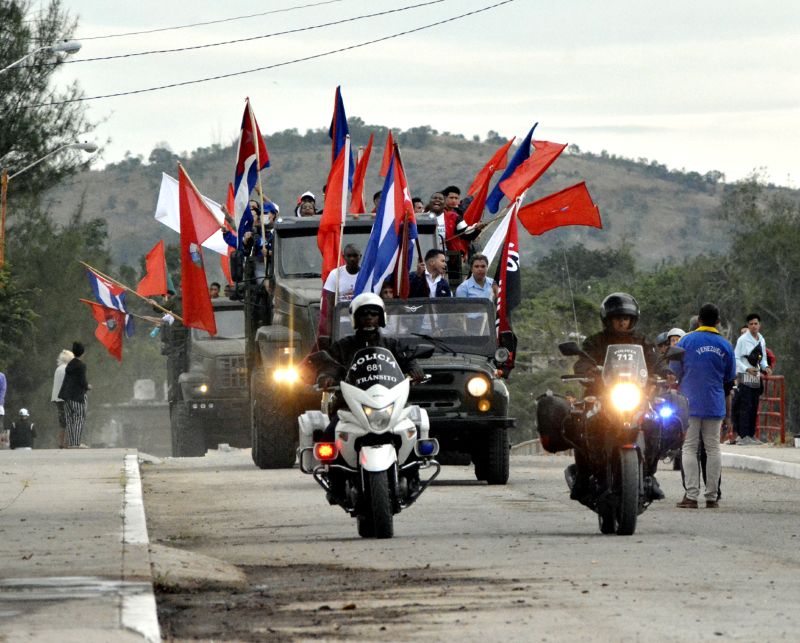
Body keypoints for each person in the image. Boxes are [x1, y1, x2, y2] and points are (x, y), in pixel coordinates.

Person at [573, 292, 664, 501]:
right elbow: (582, 362)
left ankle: (649, 474)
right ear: (608, 319)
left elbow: (655, 362)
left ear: (632, 320)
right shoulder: (595, 342)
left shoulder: (642, 342)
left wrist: (664, 372)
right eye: (617, 318)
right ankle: (584, 476)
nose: (622, 322)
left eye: (626, 318)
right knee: (581, 423)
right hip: (602, 395)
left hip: (636, 396)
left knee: (656, 423)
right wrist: (586, 371)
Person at [312, 293, 425, 441]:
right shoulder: (343, 346)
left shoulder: (392, 344)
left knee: (416, 433)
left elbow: (408, 359)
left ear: (381, 317)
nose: (369, 317)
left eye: (374, 314)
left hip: (390, 404)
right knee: (329, 437)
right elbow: (330, 365)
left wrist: (415, 369)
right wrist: (326, 376)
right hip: (350, 406)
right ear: (355, 318)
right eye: (363, 314)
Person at [671, 303, 736, 508]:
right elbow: (729, 378)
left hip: (689, 403)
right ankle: (711, 497)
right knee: (713, 448)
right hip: (715, 403)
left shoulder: (685, 341)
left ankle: (691, 496)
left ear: (699, 320)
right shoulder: (725, 345)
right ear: (718, 321)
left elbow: (674, 371)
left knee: (689, 447)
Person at [733, 313, 771, 444]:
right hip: (745, 376)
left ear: (759, 325)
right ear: (748, 326)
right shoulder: (742, 340)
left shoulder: (761, 339)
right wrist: (746, 369)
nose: (754, 326)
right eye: (751, 324)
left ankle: (751, 434)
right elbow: (736, 358)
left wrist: (766, 367)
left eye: (756, 323)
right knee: (745, 405)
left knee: (754, 405)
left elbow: (763, 358)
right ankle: (743, 436)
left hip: (756, 376)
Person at [320, 244, 361, 338]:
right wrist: (329, 329)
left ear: (360, 256)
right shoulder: (335, 274)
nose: (352, 259)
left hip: (360, 321)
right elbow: (329, 303)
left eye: (355, 256)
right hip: (341, 321)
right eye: (349, 256)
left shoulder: (365, 274)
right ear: (343, 257)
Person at [59, 341, 91, 448]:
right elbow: (82, 382)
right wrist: (88, 386)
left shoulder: (69, 365)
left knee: (70, 420)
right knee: (78, 419)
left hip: (66, 396)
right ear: (83, 353)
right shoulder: (81, 366)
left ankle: (71, 443)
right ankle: (76, 443)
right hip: (77, 397)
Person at [51, 348, 74, 449]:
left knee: (62, 421)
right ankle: (69, 442)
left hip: (57, 398)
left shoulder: (58, 369)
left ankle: (61, 442)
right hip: (67, 398)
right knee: (71, 420)